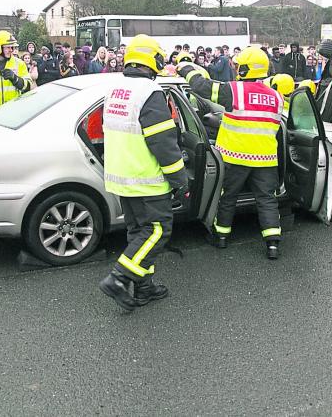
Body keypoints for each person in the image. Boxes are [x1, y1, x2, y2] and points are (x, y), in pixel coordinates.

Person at [98, 34, 188, 311]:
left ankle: (143, 288)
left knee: (138, 233)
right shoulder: (150, 93)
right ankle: (119, 278)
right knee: (157, 232)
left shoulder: (115, 89)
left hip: (121, 176)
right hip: (147, 179)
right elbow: (163, 142)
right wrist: (179, 179)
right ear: (153, 60)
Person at [178, 47, 285, 260]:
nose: (236, 69)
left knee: (228, 197)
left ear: (245, 69)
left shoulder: (234, 91)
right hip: (266, 159)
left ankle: (221, 237)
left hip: (237, 157)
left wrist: (185, 67)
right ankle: (272, 243)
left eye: (238, 66)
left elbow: (201, 86)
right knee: (267, 200)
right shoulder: (276, 96)